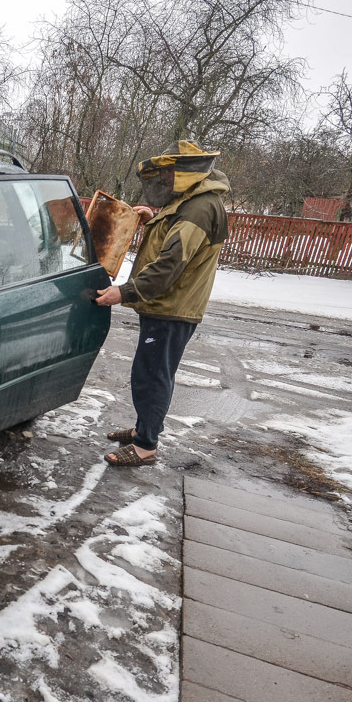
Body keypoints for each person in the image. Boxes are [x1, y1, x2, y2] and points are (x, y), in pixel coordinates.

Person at [94, 140, 230, 466]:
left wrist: (124, 292)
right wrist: (149, 218)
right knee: (151, 372)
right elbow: (171, 235)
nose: (165, 178)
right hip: (166, 305)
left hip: (172, 308)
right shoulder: (190, 200)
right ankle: (145, 428)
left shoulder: (199, 208)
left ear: (187, 172)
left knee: (152, 376)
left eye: (170, 171)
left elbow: (171, 263)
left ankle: (145, 447)